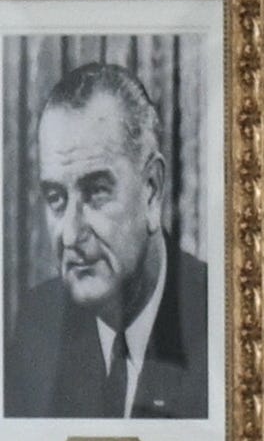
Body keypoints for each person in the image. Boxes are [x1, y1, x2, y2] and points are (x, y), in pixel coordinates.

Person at [4, 62, 207, 419]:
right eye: (56, 197)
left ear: (151, 191)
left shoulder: (221, 318)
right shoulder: (38, 324)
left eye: (96, 192)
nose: (69, 234)